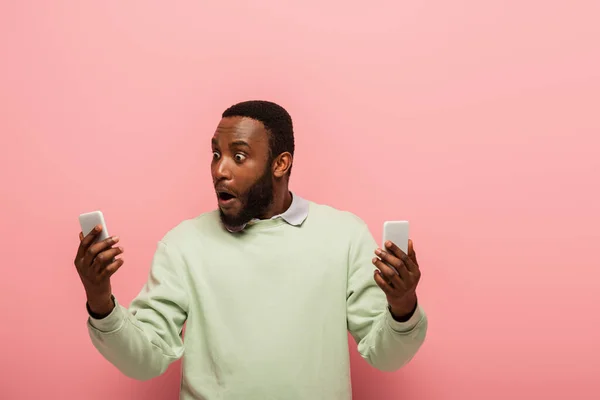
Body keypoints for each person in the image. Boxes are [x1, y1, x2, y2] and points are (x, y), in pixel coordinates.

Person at [74, 100, 428, 400]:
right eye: (216, 154)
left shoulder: (344, 235)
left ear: (280, 164)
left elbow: (385, 357)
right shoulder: (183, 245)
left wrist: (402, 305)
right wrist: (100, 299)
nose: (219, 170)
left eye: (238, 156)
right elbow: (145, 359)